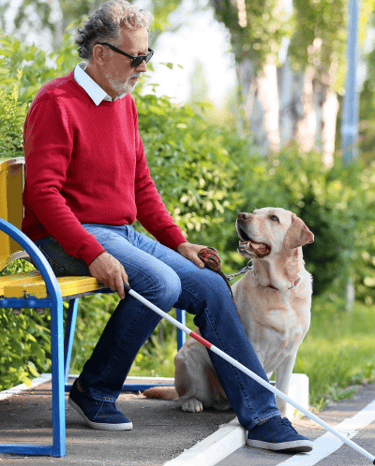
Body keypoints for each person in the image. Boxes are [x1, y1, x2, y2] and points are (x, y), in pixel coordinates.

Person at [22, 0, 313, 453]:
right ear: (100, 54)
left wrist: (179, 243)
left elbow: (141, 186)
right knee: (158, 282)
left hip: (119, 233)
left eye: (147, 56)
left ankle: (260, 416)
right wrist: (92, 251)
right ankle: (94, 389)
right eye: (133, 57)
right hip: (62, 236)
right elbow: (42, 195)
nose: (142, 66)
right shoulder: (55, 103)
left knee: (211, 286)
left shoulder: (124, 105)